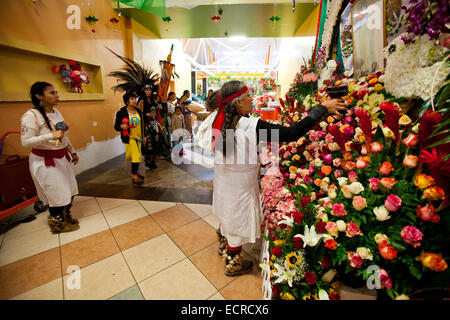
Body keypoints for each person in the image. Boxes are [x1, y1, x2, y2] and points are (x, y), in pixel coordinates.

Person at [195, 81, 346, 276]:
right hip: (240, 185)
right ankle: (233, 262)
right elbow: (293, 133)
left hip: (224, 181)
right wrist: (322, 108)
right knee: (237, 217)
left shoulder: (219, 117)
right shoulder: (251, 126)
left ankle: (225, 246)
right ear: (238, 103)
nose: (252, 98)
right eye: (248, 95)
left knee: (227, 213)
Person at [21, 81, 80, 234]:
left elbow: (62, 136)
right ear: (39, 96)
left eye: (56, 92)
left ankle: (66, 217)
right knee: (56, 192)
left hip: (62, 158)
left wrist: (72, 151)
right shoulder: (31, 116)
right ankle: (57, 223)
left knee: (69, 189)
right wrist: (50, 135)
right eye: (52, 93)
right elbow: (25, 142)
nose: (57, 95)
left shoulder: (56, 113)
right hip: (45, 161)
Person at [114, 92, 146, 185]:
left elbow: (143, 125)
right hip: (130, 138)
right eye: (132, 99)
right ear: (127, 101)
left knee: (138, 156)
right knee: (136, 156)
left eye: (134, 98)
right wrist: (121, 126)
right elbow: (116, 126)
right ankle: (134, 176)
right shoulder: (121, 113)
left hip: (139, 138)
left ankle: (135, 172)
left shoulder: (139, 111)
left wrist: (144, 136)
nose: (134, 100)